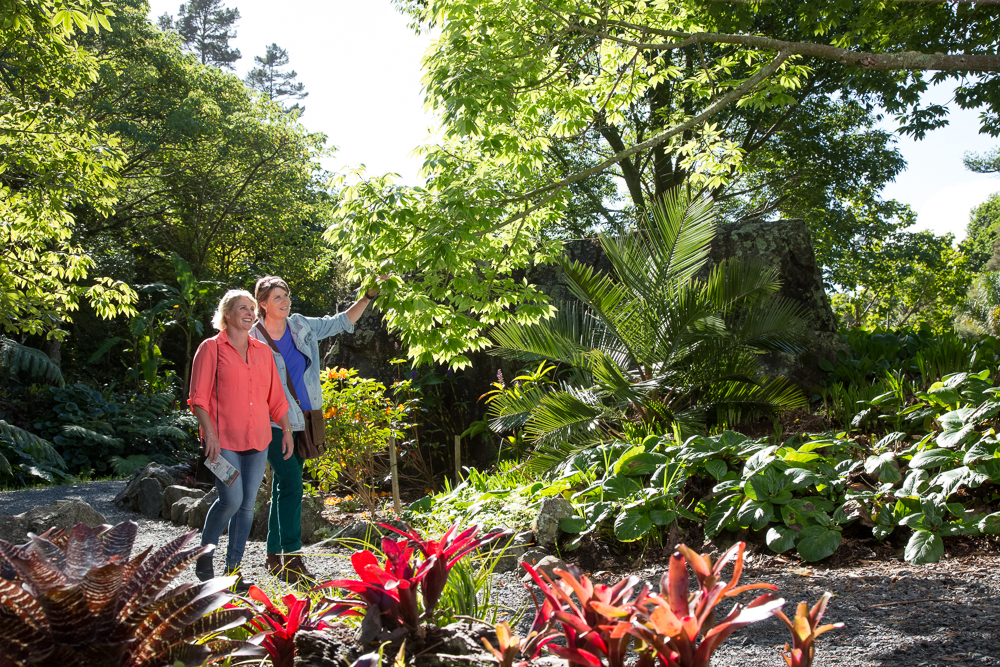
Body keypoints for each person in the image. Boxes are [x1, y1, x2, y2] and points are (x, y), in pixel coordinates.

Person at [251, 275, 383, 583]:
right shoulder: (252, 336)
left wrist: (366, 297)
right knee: (292, 482)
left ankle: (273, 555)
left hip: (306, 417)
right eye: (277, 298)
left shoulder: (300, 325)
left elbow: (339, 322)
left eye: (286, 295)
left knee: (285, 485)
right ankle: (292, 559)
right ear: (262, 304)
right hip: (271, 421)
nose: (285, 302)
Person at [188, 289, 293, 593]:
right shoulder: (211, 349)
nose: (249, 313)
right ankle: (204, 555)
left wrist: (285, 431)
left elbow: (276, 398)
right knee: (231, 499)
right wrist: (209, 434)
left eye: (251, 309)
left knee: (247, 505)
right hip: (223, 444)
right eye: (241, 308)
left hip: (258, 439)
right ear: (227, 315)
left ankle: (233, 571)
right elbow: (198, 399)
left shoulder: (263, 352)